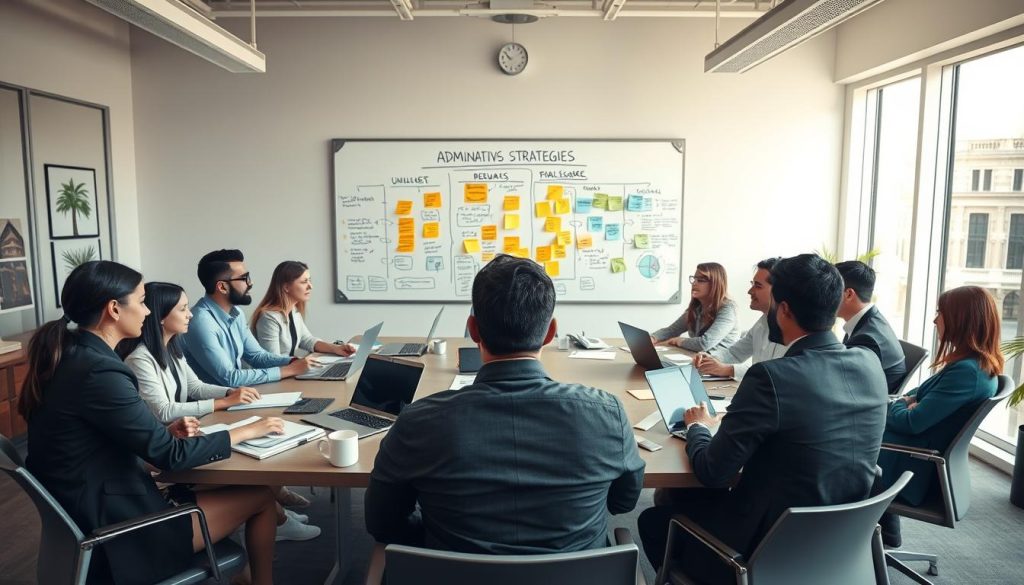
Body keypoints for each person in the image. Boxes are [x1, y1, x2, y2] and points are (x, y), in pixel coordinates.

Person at [19, 261, 282, 585]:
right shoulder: (101, 371)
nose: (147, 312)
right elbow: (169, 455)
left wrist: (163, 433)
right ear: (114, 309)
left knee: (233, 489)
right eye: (142, 301)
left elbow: (99, 439)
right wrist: (247, 430)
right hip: (123, 533)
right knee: (261, 497)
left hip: (96, 510)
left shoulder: (73, 357)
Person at [364, 254, 645, 553]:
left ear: (473, 330)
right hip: (581, 574)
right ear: (551, 332)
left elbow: (382, 523)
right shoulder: (607, 414)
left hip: (449, 572)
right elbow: (622, 502)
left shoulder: (417, 422)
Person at [637, 254, 889, 583]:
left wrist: (697, 426)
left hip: (766, 549)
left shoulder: (772, 377)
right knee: (682, 496)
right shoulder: (870, 363)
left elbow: (713, 472)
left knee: (653, 520)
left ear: (782, 310)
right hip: (839, 542)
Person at [121, 281, 321, 541]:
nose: (190, 314)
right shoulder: (140, 358)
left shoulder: (171, 348)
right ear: (160, 317)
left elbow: (196, 386)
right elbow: (164, 410)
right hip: (167, 451)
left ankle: (275, 516)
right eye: (183, 309)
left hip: (185, 435)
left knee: (261, 448)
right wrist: (222, 403)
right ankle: (276, 519)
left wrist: (230, 392)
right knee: (252, 462)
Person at [875, 286, 1002, 547]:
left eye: (940, 313)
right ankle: (882, 533)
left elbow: (912, 422)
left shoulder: (967, 372)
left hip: (908, 465)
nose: (935, 321)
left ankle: (836, 545)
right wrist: (908, 402)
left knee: (826, 458)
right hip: (907, 453)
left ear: (961, 319)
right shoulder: (970, 364)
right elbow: (914, 395)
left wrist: (902, 406)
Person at [183, 249, 317, 387]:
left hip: (238, 395)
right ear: (222, 287)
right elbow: (230, 378)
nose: (250, 283)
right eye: (244, 278)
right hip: (217, 399)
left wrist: (293, 361)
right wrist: (290, 370)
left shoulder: (237, 314)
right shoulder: (201, 323)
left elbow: (257, 356)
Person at [693, 257, 786, 379]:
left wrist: (729, 370)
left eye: (758, 286)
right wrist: (709, 359)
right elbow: (734, 353)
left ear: (778, 290)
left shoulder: (793, 330)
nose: (749, 291)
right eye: (752, 284)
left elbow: (778, 371)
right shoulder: (762, 323)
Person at [250, 261, 355, 358]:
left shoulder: (293, 311)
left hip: (287, 369)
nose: (310, 286)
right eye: (304, 282)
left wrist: (336, 348)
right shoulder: (269, 318)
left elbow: (307, 340)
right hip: (276, 371)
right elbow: (272, 361)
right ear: (286, 287)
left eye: (309, 280)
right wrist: (302, 363)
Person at [835, 260, 907, 393]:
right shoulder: (871, 320)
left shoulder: (867, 339)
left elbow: (844, 384)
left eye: (831, 290)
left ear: (849, 294)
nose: (826, 297)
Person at [651, 262, 739, 352]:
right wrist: (652, 338)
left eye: (701, 280)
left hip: (720, 360)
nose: (694, 283)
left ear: (715, 284)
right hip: (698, 358)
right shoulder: (697, 309)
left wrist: (679, 341)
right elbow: (672, 330)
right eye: (694, 279)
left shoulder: (727, 309)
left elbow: (704, 343)